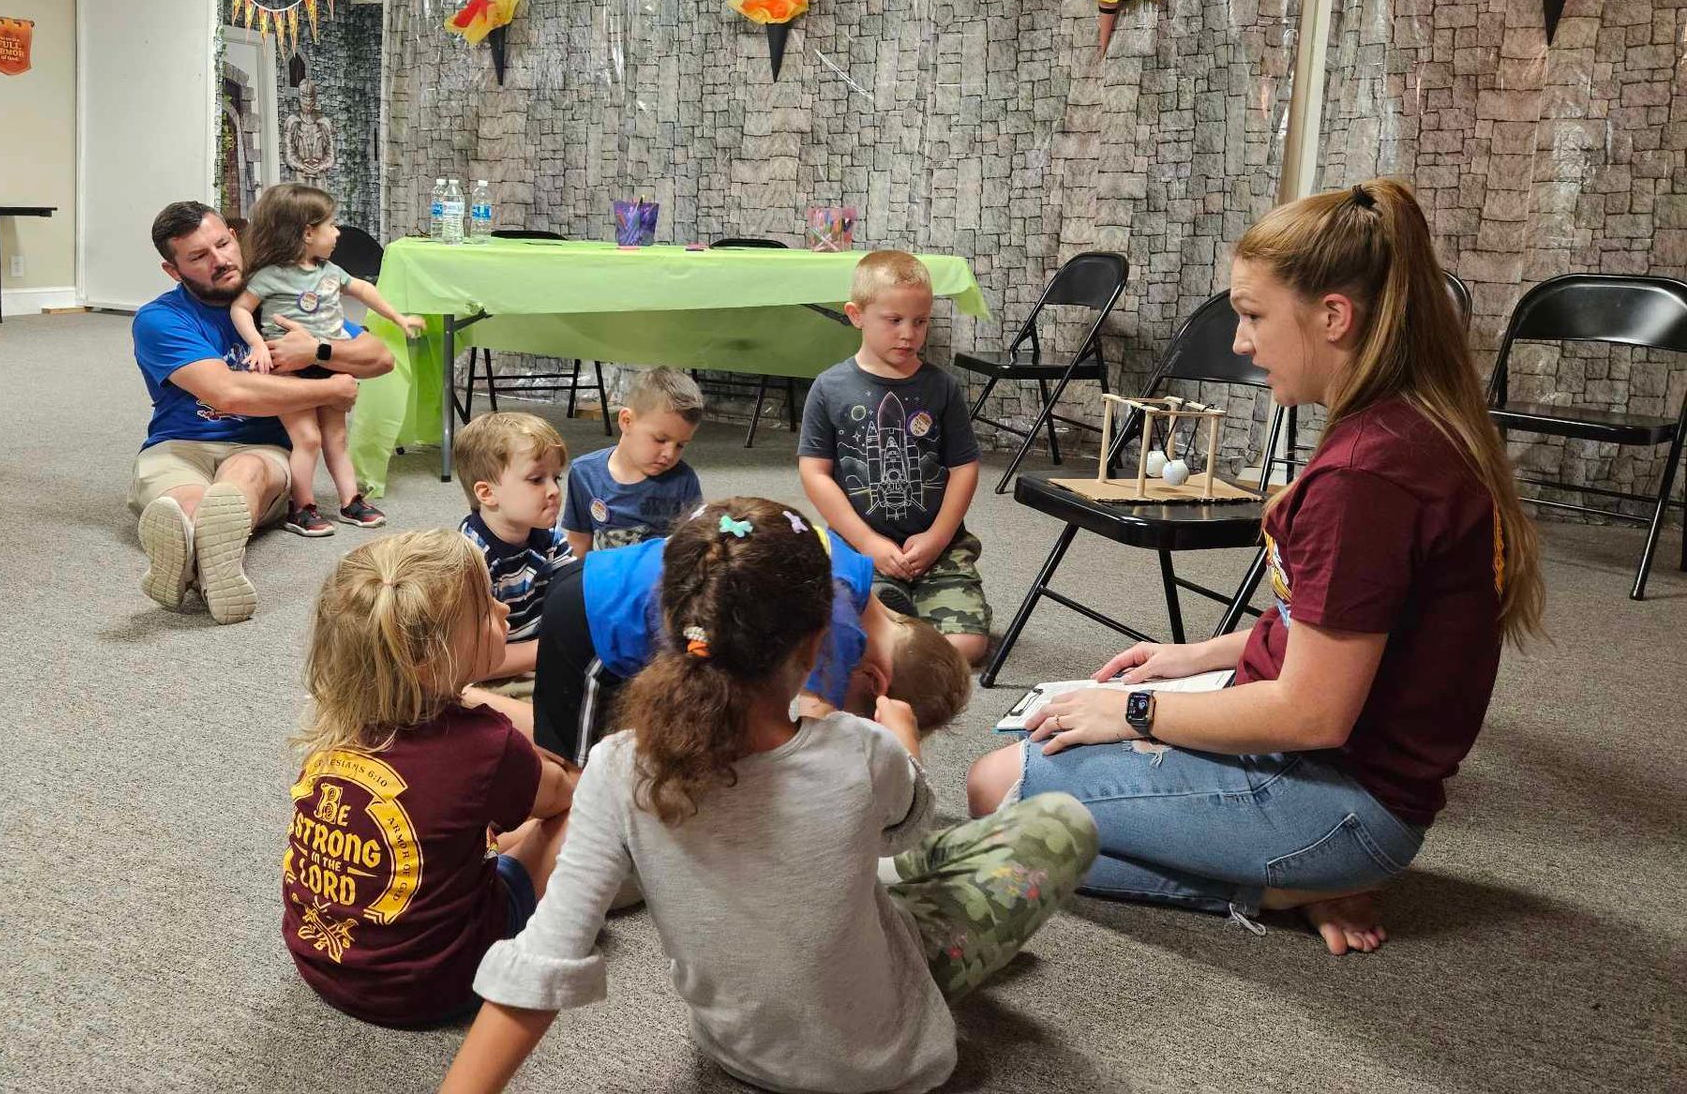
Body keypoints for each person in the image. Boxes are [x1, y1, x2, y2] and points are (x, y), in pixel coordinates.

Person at [965, 178, 1546, 955]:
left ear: (1334, 316)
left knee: (994, 792)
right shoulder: (1404, 425)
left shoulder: (1369, 478)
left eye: (1253, 314)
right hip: (1335, 778)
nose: (1240, 342)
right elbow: (1344, 623)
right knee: (1044, 762)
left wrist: (1134, 713)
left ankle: (1289, 882)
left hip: (1335, 802)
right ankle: (1297, 870)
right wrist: (1199, 656)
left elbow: (1313, 713)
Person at [438, 496, 1096, 1094]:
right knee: (1058, 822)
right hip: (892, 1062)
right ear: (819, 642)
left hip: (737, 1050)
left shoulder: (615, 769)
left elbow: (538, 968)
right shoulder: (864, 753)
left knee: (848, 877)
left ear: (673, 626)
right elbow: (906, 823)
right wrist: (902, 741)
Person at [283, 530, 577, 1027]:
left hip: (320, 963)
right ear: (427, 661)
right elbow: (561, 792)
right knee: (575, 809)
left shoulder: (338, 724)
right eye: (486, 608)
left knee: (469, 823)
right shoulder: (489, 746)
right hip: (434, 987)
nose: (503, 610)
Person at [530, 499, 969, 765]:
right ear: (875, 681)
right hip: (592, 623)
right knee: (577, 770)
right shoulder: (836, 626)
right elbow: (818, 746)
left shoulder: (852, 570)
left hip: (623, 596)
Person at [129, 201, 394, 624]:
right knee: (182, 501)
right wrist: (330, 386)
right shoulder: (160, 319)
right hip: (178, 445)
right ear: (173, 270)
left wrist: (318, 349)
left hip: (261, 447)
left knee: (244, 477)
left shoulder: (282, 296)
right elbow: (228, 392)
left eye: (222, 244)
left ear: (236, 238)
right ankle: (209, 559)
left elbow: (380, 357)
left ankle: (188, 561)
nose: (220, 260)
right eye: (198, 256)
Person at [798, 250, 990, 664]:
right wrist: (867, 541)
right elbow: (814, 472)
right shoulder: (829, 387)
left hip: (938, 547)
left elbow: (964, 467)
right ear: (856, 314)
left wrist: (938, 537)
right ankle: (890, 614)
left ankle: (897, 623)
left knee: (968, 648)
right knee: (827, 635)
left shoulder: (942, 387)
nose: (909, 334)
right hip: (860, 548)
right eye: (894, 320)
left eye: (920, 322)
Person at [230, 182, 425, 537]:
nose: (336, 233)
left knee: (336, 437)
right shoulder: (269, 276)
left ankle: (350, 500)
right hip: (288, 367)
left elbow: (362, 289)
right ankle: (301, 507)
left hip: (328, 363)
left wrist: (399, 318)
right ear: (307, 233)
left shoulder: (329, 271)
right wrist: (258, 344)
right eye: (331, 226)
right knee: (307, 438)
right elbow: (241, 309)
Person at [455, 411, 575, 683]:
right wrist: (550, 648)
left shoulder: (548, 535)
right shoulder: (471, 558)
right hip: (493, 674)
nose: (554, 490)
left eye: (556, 477)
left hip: (541, 653)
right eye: (536, 479)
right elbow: (473, 661)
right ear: (487, 493)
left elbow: (571, 594)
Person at [561, 366, 704, 556]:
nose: (670, 454)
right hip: (609, 579)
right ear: (626, 421)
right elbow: (579, 543)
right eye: (660, 440)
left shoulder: (683, 480)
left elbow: (693, 548)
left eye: (680, 445)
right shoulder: (584, 473)